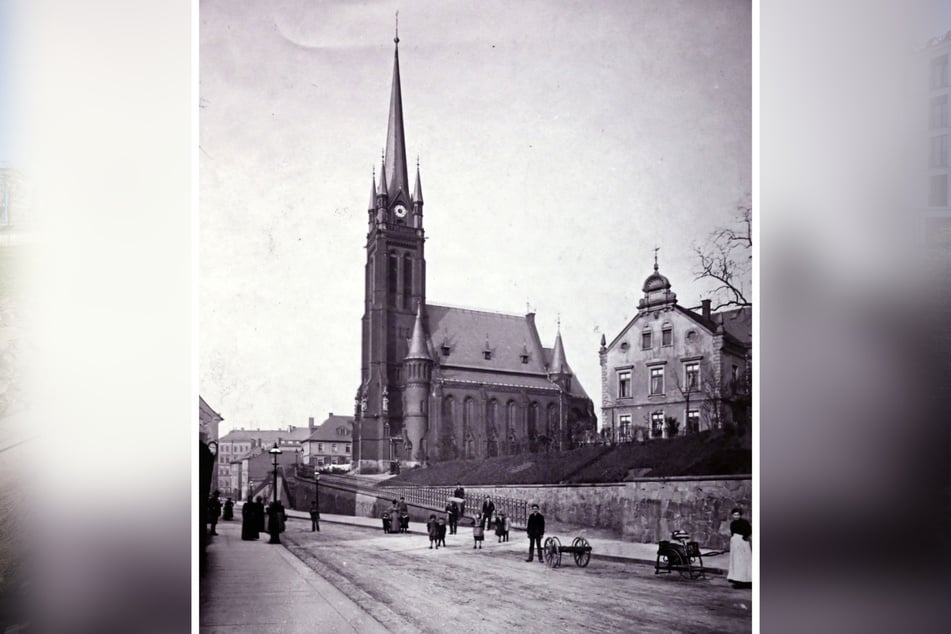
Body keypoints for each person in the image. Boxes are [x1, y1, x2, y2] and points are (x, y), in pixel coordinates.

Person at [727, 507, 752, 588]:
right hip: (735, 543)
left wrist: (744, 537)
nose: (736, 516)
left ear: (740, 515)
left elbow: (749, 531)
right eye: (734, 515)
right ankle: (737, 579)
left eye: (738, 515)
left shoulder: (744, 523)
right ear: (732, 515)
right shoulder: (733, 524)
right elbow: (732, 533)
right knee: (736, 561)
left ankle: (747, 580)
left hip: (743, 542)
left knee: (744, 561)